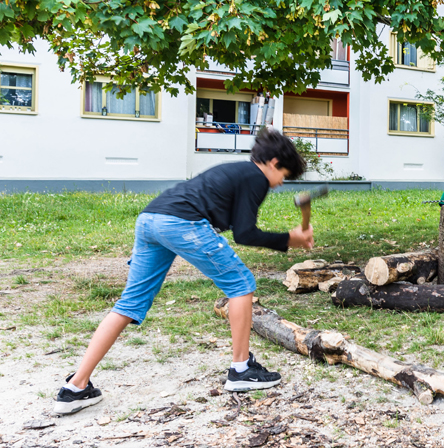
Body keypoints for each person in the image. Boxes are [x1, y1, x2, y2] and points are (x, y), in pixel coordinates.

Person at [53, 128, 314, 415]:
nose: (279, 184)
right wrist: (291, 238)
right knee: (241, 283)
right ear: (274, 163)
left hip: (150, 219)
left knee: (129, 304)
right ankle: (241, 370)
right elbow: (245, 233)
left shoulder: (235, 171)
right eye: (284, 176)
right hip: (182, 224)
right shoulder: (255, 177)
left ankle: (76, 387)